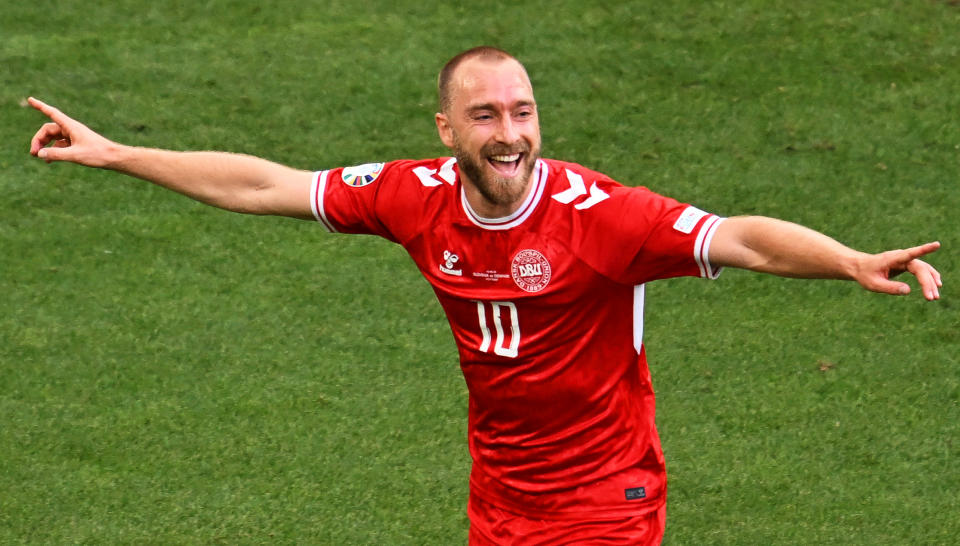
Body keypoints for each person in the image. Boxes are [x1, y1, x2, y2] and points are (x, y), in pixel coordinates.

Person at [28, 46, 941, 545]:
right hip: (501, 498)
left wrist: (849, 258)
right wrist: (116, 153)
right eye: (487, 116)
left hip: (605, 502)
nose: (512, 134)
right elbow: (267, 183)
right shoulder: (413, 194)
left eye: (524, 112)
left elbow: (739, 239)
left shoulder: (605, 217)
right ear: (446, 128)